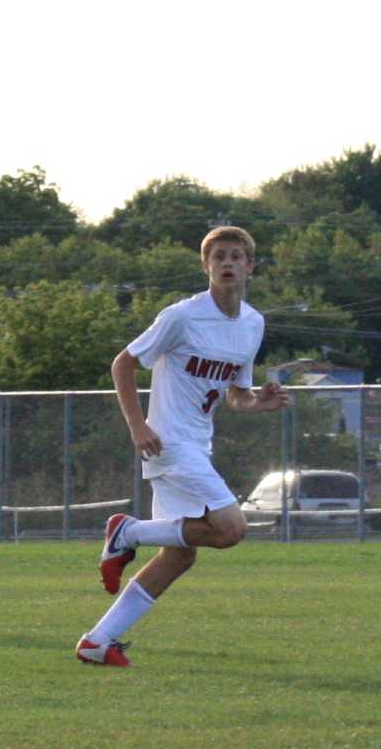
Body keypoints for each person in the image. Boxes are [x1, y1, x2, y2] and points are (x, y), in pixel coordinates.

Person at [81, 225, 286, 666]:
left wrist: (258, 403)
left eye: (236, 256)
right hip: (169, 442)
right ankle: (127, 531)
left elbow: (234, 394)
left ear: (250, 266)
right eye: (219, 257)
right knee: (231, 529)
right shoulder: (182, 315)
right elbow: (123, 363)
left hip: (197, 444)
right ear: (206, 266)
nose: (227, 263)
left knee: (178, 557)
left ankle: (98, 641)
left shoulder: (252, 324)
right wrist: (138, 426)